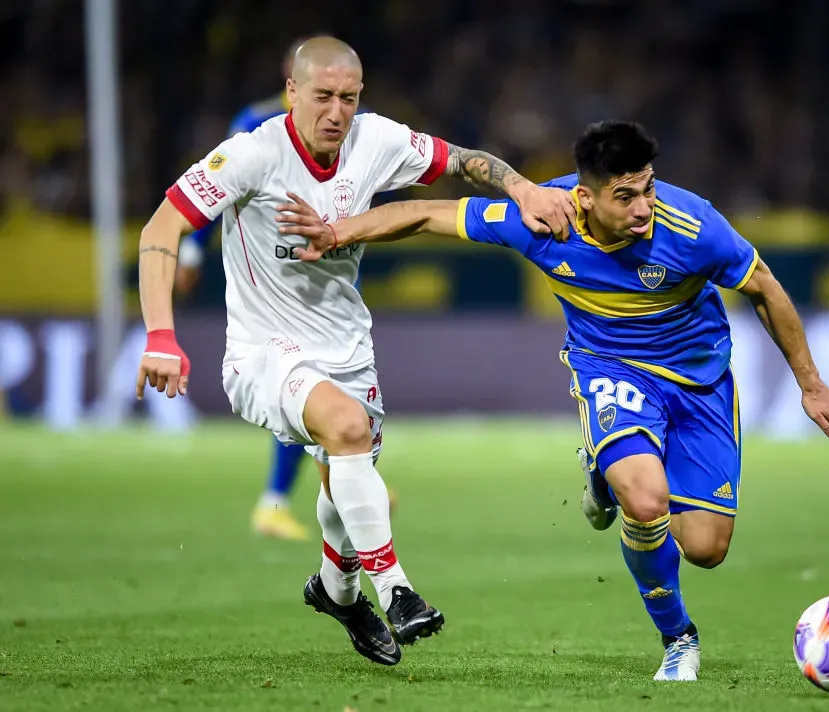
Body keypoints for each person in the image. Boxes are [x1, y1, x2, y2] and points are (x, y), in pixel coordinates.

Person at [274, 120, 829, 681]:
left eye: (648, 188)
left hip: (699, 380)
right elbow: (428, 214)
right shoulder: (540, 218)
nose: (642, 208)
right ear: (585, 197)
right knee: (646, 499)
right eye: (625, 195)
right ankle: (678, 637)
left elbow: (765, 289)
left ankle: (602, 476)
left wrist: (810, 383)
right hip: (610, 369)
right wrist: (339, 231)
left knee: (705, 549)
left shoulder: (694, 227)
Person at [135, 36, 575, 667]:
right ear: (292, 91)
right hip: (263, 351)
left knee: (347, 474)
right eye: (322, 96)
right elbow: (162, 225)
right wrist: (160, 335)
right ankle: (396, 592)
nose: (336, 112)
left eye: (348, 97)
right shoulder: (253, 154)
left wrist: (526, 191)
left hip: (346, 345)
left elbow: (463, 161)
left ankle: (337, 591)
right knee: (345, 430)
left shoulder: (375, 140)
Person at [174, 37, 321, 543]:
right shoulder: (255, 126)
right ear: (291, 78)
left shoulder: (347, 128)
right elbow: (211, 190)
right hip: (272, 280)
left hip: (327, 273)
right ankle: (283, 500)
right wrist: (191, 251)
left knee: (335, 388)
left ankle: (343, 477)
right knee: (304, 386)